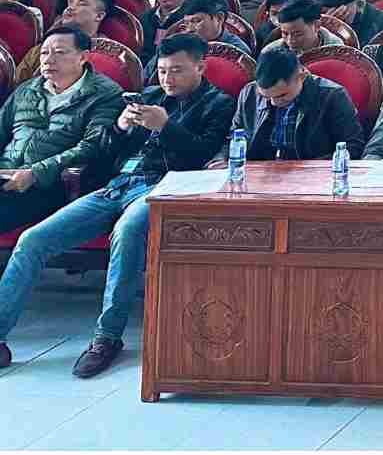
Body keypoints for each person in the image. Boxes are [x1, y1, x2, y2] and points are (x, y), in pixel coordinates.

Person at [0, 32, 231, 375]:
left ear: (200, 67)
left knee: (126, 232)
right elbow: (103, 149)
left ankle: (107, 336)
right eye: (163, 71)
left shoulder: (220, 103)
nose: (168, 79)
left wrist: (166, 127)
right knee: (33, 240)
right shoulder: (150, 95)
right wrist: (121, 127)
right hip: (117, 184)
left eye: (178, 71)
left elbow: (202, 156)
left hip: (165, 188)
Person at [0, 27, 125, 236]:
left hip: (51, 185)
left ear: (83, 56)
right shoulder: (27, 89)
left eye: (59, 52)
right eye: (44, 53)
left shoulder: (105, 95)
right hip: (5, 177)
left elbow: (92, 146)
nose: (49, 60)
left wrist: (35, 173)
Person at [232, 46, 364, 161]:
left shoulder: (332, 96)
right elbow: (234, 136)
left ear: (302, 76)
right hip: (260, 173)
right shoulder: (249, 93)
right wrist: (221, 160)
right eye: (266, 97)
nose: (274, 103)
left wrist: (306, 169)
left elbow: (352, 147)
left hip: (312, 175)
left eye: (282, 95)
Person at [263, 0, 343, 55]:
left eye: (298, 34)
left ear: (316, 26)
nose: (290, 41)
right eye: (285, 34)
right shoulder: (272, 52)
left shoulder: (336, 50)